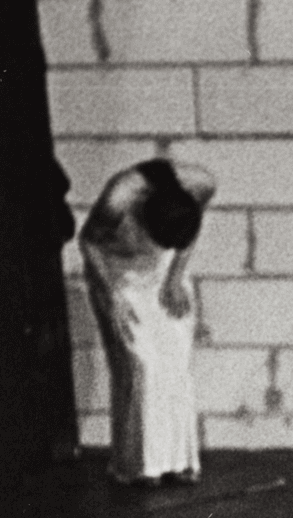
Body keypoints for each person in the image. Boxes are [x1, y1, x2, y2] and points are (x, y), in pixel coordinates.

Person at [79, 158, 214, 485]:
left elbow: (191, 225)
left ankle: (177, 461)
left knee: (175, 363)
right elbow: (89, 242)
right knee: (142, 365)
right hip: (117, 272)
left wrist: (175, 276)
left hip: (162, 270)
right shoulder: (118, 198)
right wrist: (111, 297)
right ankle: (141, 464)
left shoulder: (200, 182)